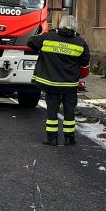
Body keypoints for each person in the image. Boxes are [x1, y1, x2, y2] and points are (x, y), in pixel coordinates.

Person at [26, 15, 90, 146]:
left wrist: (48, 34)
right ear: (75, 27)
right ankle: (69, 138)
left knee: (52, 109)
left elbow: (30, 42)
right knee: (69, 110)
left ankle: (52, 138)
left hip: (52, 83)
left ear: (60, 25)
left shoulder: (48, 37)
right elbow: (85, 64)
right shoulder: (80, 42)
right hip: (70, 84)